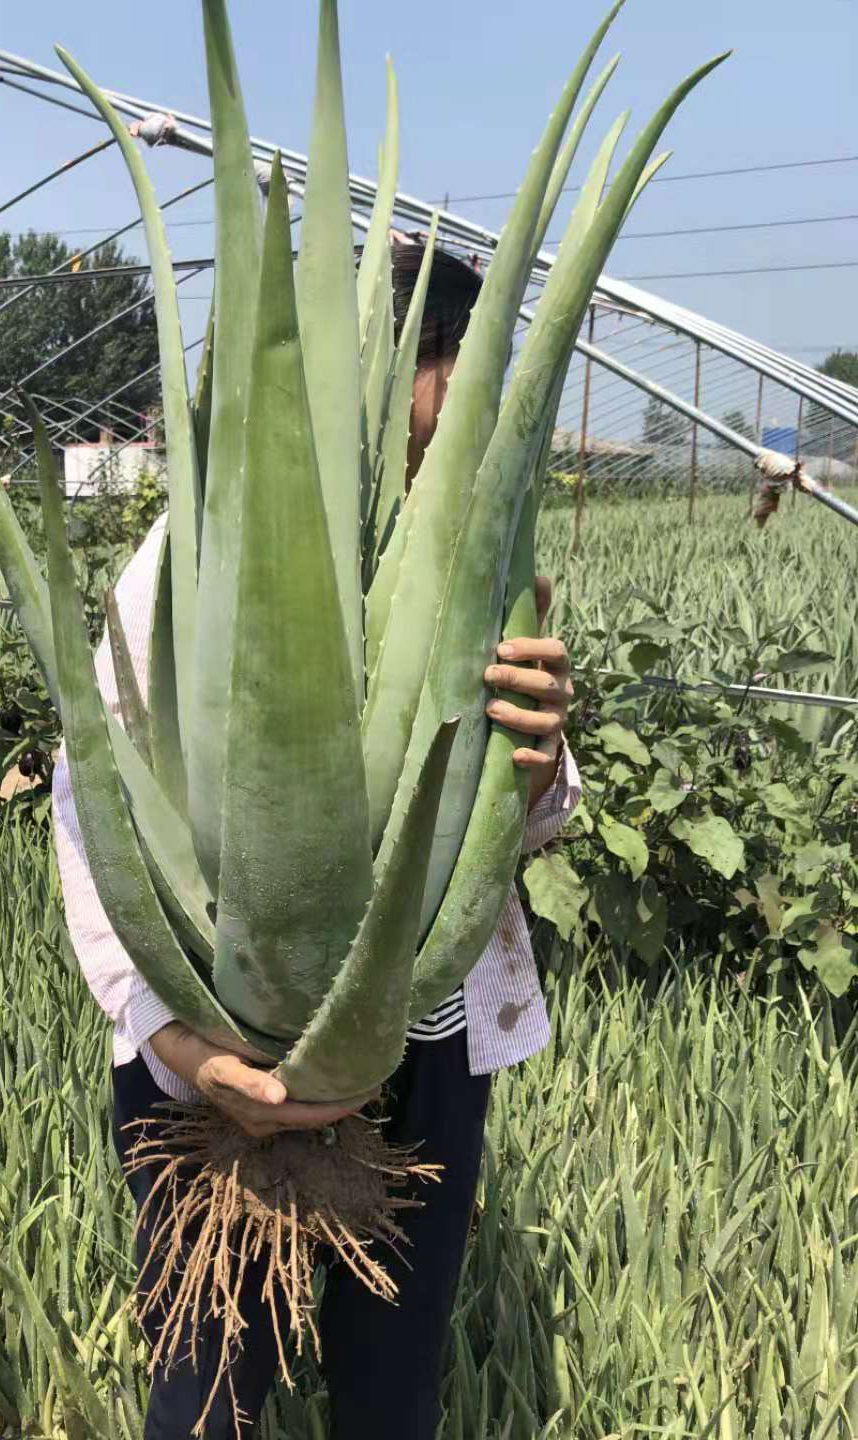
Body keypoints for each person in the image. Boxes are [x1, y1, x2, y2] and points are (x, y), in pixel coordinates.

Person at [53, 237, 580, 1439]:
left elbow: (516, 825)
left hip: (418, 1041)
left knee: (391, 1393)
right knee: (204, 1396)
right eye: (448, 365)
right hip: (211, 1033)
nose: (463, 411)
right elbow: (92, 810)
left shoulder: (478, 567)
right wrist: (185, 1052)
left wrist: (541, 760)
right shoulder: (191, 558)